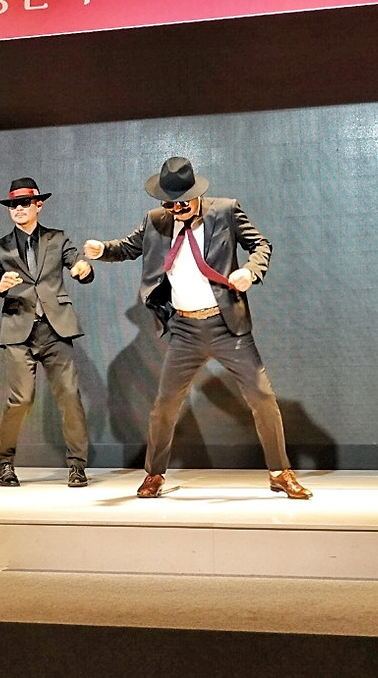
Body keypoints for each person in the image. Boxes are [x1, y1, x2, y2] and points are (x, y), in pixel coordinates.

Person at [83, 157, 312, 500]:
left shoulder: (226, 210)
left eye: (183, 203)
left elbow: (261, 245)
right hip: (186, 330)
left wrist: (250, 272)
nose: (176, 210)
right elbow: (128, 247)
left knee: (262, 397)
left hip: (226, 325)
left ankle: (280, 472)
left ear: (196, 194)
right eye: (169, 204)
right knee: (165, 405)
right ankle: (154, 474)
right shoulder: (156, 220)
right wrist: (103, 250)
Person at [0, 177, 95, 488]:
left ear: (38, 205)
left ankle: (77, 465)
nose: (18, 209)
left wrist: (84, 270)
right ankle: (4, 462)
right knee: (21, 399)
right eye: (12, 205)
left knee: (69, 395)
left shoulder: (57, 239)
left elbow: (78, 266)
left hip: (56, 329)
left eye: (24, 203)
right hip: (19, 330)